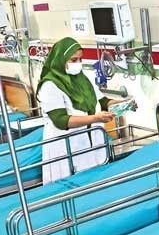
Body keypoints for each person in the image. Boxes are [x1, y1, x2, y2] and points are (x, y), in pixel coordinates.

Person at [37, 37, 118, 184]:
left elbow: (103, 102)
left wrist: (123, 103)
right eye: (74, 60)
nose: (78, 63)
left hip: (90, 142)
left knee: (93, 184)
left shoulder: (83, 80)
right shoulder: (50, 85)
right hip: (65, 145)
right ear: (61, 60)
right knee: (67, 187)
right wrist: (95, 118)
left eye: (80, 59)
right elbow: (61, 120)